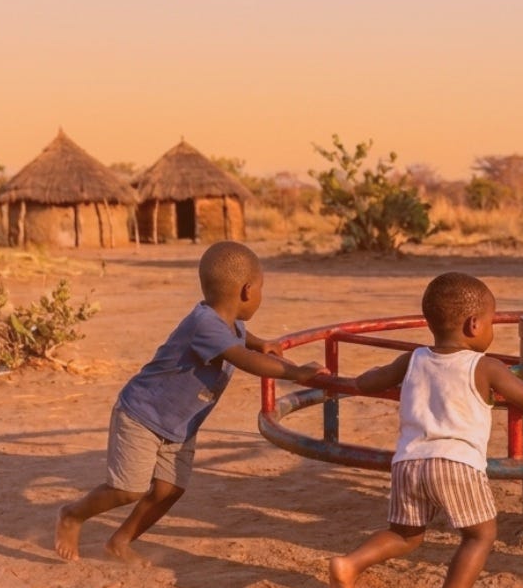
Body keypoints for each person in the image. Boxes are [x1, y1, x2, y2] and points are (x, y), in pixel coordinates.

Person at [328, 272, 523, 588]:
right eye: (492, 323)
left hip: (408, 462)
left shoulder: (413, 359)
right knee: (480, 534)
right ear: (473, 324)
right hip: (455, 464)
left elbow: (367, 381)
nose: (492, 331)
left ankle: (351, 563)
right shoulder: (484, 366)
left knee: (405, 535)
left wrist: (337, 378)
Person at [54, 241, 324, 564]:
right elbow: (244, 359)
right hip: (143, 414)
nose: (262, 295)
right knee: (128, 490)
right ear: (247, 290)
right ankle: (72, 515)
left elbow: (242, 339)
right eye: (262, 288)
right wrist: (297, 373)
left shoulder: (228, 320)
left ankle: (119, 541)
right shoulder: (205, 325)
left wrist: (262, 342)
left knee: (169, 489)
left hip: (179, 424)